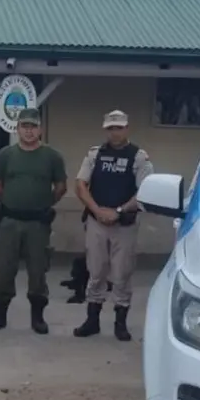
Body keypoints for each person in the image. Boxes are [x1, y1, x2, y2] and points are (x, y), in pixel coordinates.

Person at [0, 108, 67, 335]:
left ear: (40, 129)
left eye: (33, 127)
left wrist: (44, 203)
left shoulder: (52, 156)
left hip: (38, 224)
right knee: (3, 268)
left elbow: (61, 187)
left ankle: (38, 317)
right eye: (24, 126)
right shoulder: (6, 155)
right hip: (10, 221)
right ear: (17, 129)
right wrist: (11, 201)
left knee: (38, 271)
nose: (29, 131)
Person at [73, 110, 154, 341]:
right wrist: (97, 210)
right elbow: (80, 184)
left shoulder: (138, 157)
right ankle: (92, 321)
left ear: (127, 128)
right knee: (96, 272)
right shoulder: (95, 154)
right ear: (105, 130)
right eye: (111, 128)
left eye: (119, 128)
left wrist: (118, 211)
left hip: (124, 225)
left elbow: (145, 190)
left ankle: (120, 324)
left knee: (122, 274)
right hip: (97, 222)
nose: (115, 132)